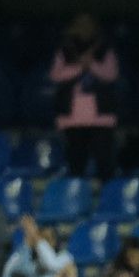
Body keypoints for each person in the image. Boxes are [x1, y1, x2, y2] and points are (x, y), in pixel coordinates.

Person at [50, 14, 121, 178]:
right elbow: (56, 75)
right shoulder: (64, 50)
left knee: (104, 163)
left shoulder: (105, 50)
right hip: (72, 119)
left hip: (101, 118)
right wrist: (79, 67)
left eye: (88, 25)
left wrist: (92, 64)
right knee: (76, 163)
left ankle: (108, 197)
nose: (84, 29)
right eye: (80, 25)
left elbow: (111, 74)